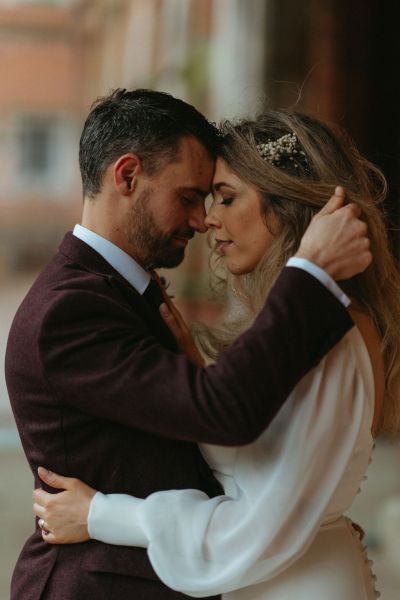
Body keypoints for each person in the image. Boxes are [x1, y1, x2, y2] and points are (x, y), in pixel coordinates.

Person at [6, 90, 369, 600]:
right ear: (127, 176)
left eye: (219, 198)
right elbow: (220, 411)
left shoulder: (127, 290)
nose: (202, 222)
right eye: (191, 197)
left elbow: (231, 440)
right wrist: (309, 274)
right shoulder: (70, 311)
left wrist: (316, 521)